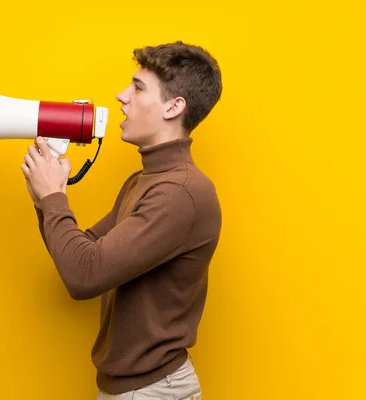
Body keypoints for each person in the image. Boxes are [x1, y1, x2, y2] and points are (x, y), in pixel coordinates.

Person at [21, 41, 223, 400]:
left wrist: (54, 197)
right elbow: (78, 256)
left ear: (174, 107)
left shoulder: (181, 193)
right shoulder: (146, 181)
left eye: (138, 87)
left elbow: (84, 276)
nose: (121, 96)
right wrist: (44, 197)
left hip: (153, 391)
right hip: (136, 390)